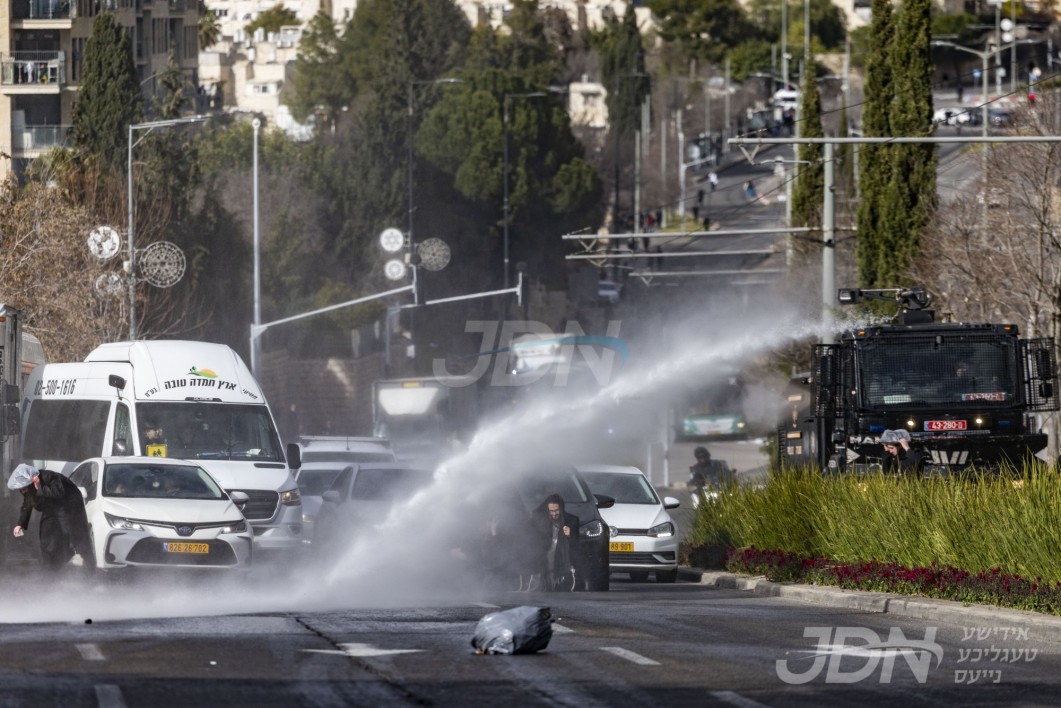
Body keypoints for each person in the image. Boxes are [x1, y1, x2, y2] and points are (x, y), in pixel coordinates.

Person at [8, 464, 95, 573]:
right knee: (46, 538)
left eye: (24, 488)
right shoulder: (28, 489)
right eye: (20, 489)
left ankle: (91, 571)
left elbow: (59, 493)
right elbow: (27, 504)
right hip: (52, 509)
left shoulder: (49, 477)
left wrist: (40, 486)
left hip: (70, 507)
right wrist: (20, 524)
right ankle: (50, 573)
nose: (23, 491)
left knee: (78, 538)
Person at [535, 493, 577, 592]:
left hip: (562, 563)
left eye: (556, 510)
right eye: (551, 511)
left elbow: (577, 545)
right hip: (546, 560)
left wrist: (571, 534)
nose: (554, 513)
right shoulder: (542, 522)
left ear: (561, 509)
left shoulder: (571, 521)